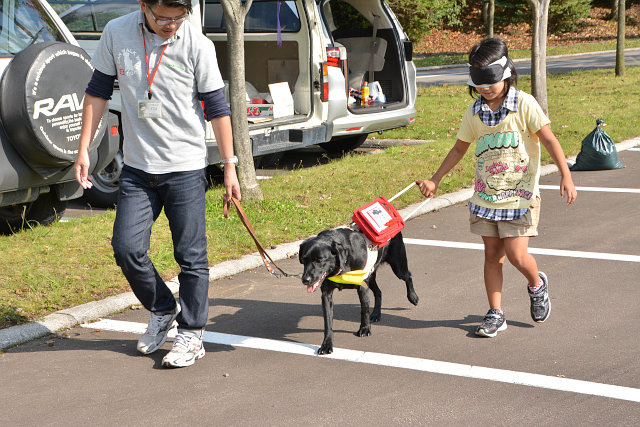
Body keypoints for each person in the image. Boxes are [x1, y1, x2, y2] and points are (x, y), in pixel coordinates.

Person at [75, 0, 241, 367]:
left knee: (191, 257)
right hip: (137, 168)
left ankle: (192, 334)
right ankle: (163, 307)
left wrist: (230, 166)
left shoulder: (197, 43)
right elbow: (98, 90)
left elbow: (217, 106)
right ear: (143, 6)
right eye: (162, 17)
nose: (170, 25)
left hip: (184, 167)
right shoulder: (117, 32)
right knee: (126, 248)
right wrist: (84, 148)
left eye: (178, 17)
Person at [416, 38, 577, 338]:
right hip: (487, 198)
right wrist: (435, 180)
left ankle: (536, 285)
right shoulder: (474, 113)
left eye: (491, 80)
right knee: (492, 257)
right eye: (480, 82)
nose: (486, 88)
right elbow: (458, 149)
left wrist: (565, 175)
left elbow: (550, 140)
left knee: (517, 256)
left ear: (506, 73)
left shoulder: (524, 104)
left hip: (521, 196)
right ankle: (496, 313)